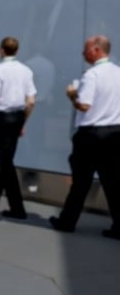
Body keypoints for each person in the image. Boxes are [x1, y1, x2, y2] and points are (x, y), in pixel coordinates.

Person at [49, 35, 120, 239]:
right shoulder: (118, 72)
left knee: (81, 181)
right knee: (113, 181)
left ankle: (67, 221)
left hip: (91, 134)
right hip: (115, 132)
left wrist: (72, 93)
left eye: (85, 49)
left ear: (96, 50)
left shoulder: (92, 75)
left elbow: (84, 105)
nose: (83, 53)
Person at [0, 37, 36, 219]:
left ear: (1, 50)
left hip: (3, 117)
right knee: (7, 158)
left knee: (6, 162)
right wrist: (23, 122)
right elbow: (31, 101)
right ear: (17, 50)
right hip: (19, 116)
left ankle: (17, 207)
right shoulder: (26, 71)